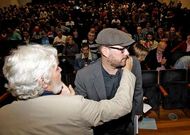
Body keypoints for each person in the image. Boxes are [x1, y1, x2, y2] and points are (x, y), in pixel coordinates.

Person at [0, 45, 135, 135]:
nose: (60, 70)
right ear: (42, 80)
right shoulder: (76, 107)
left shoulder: (3, 114)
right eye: (56, 67)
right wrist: (127, 71)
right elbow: (121, 106)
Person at [75, 28, 136, 135]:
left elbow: (138, 92)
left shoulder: (132, 64)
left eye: (127, 49)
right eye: (122, 49)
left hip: (125, 128)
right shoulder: (83, 76)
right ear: (105, 51)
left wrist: (136, 116)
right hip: (100, 130)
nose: (127, 53)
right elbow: (81, 112)